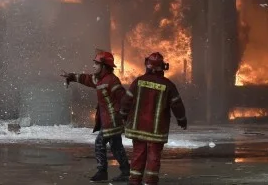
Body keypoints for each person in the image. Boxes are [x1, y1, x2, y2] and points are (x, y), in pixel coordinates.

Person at [62, 51, 131, 182]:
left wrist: (120, 115)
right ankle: (126, 171)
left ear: (104, 66)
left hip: (113, 120)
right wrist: (71, 77)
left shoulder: (112, 80)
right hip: (109, 119)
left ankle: (102, 172)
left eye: (96, 63)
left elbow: (123, 99)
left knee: (99, 143)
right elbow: (87, 79)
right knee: (116, 146)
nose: (93, 66)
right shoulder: (100, 79)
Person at [120, 52, 187, 185]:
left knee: (138, 155)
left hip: (138, 128)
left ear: (147, 65)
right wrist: (182, 119)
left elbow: (126, 101)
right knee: (154, 157)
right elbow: (177, 104)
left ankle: (134, 181)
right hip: (156, 131)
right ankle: (150, 181)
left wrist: (122, 114)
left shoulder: (138, 82)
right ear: (163, 67)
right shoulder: (168, 85)